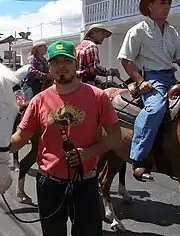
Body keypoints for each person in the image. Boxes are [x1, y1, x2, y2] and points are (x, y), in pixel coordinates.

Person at [11, 40, 122, 236]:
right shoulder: (39, 100)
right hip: (49, 184)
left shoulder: (97, 97)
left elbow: (115, 137)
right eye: (55, 62)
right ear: (50, 67)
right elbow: (21, 137)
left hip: (85, 182)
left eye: (67, 61)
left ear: (76, 64)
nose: (61, 66)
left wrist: (88, 153)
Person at [117, 0, 180, 181]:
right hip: (151, 78)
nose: (167, 7)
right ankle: (139, 158)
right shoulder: (138, 31)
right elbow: (126, 60)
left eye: (169, 3)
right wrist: (140, 81)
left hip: (171, 77)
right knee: (155, 109)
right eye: (162, 2)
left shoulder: (172, 31)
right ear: (150, 6)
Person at [15, 40, 53, 204]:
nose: (45, 49)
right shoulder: (32, 60)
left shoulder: (44, 60)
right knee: (30, 104)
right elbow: (31, 74)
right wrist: (46, 76)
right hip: (32, 84)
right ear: (38, 48)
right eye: (43, 47)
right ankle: (21, 123)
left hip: (44, 84)